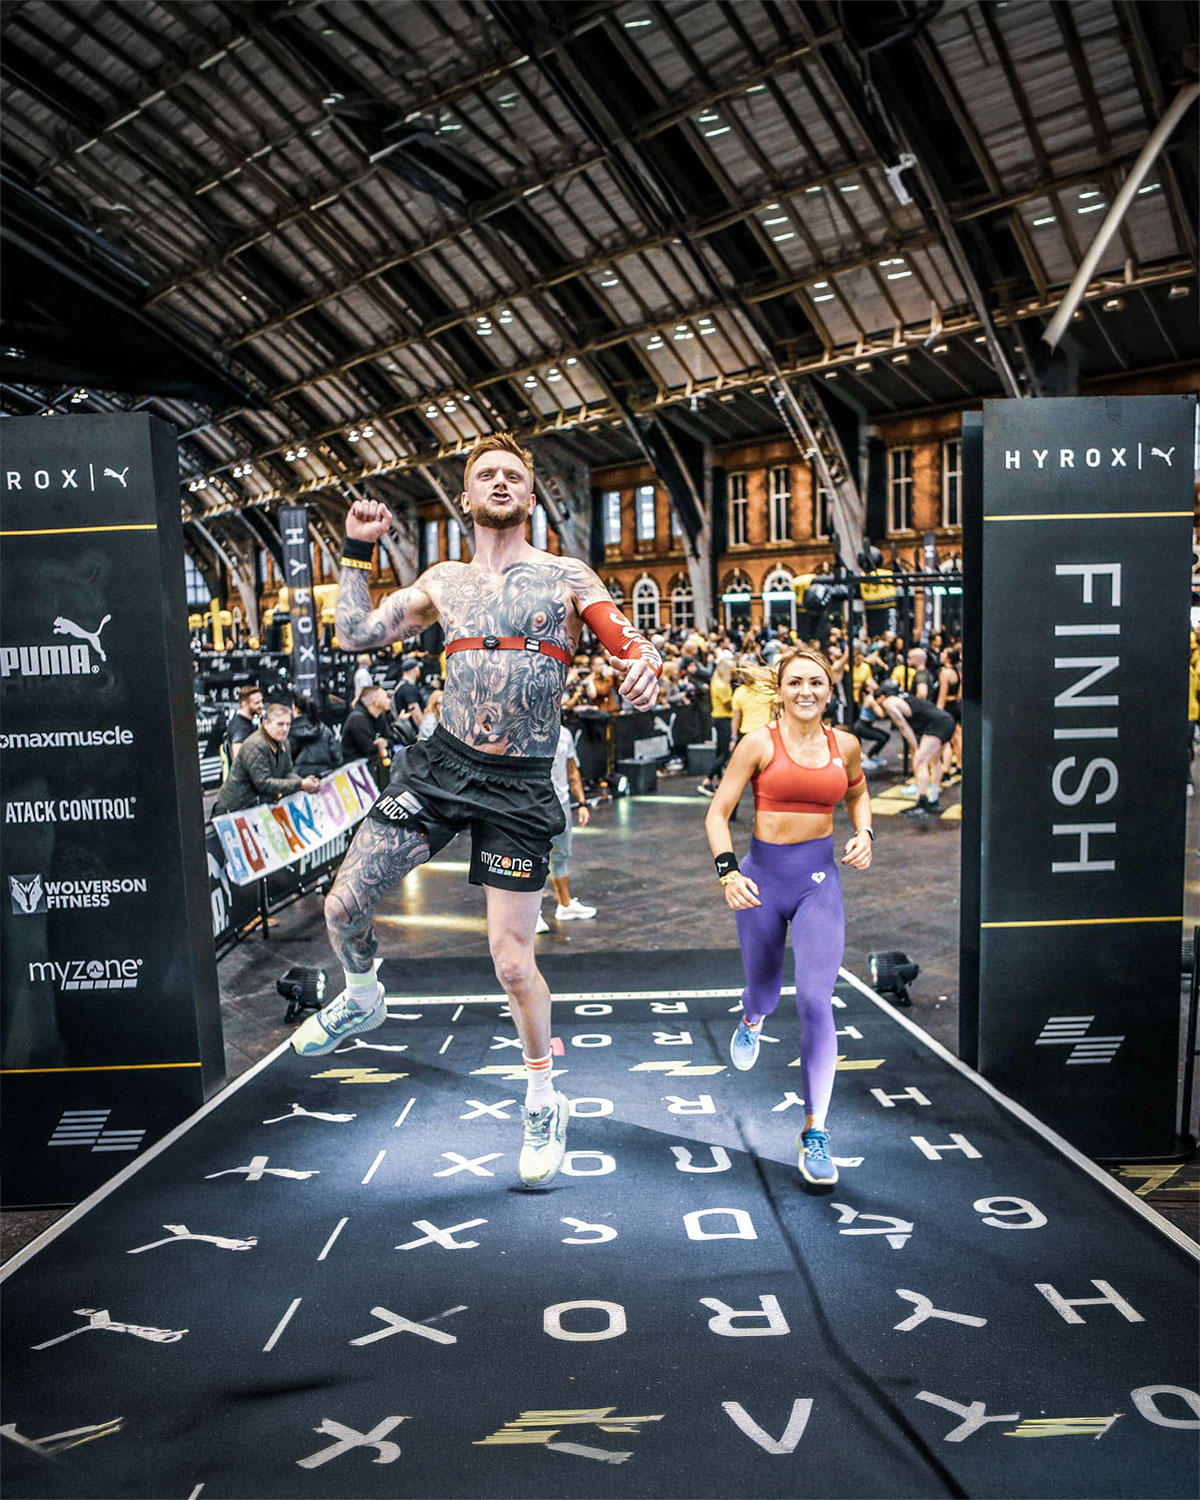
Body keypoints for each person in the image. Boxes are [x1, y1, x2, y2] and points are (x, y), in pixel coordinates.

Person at [290, 433, 661, 1189]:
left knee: (512, 963)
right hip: (441, 767)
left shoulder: (566, 575)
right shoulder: (444, 581)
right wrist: (356, 553)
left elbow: (628, 644)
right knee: (341, 906)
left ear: (530, 497)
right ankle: (363, 996)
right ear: (465, 498)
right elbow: (355, 633)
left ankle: (541, 1097)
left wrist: (642, 670)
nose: (499, 481)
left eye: (512, 475)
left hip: (522, 783)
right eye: (484, 474)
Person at [705, 648, 872, 1189]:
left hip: (818, 883)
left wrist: (865, 831)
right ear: (780, 690)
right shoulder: (757, 744)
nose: (806, 691)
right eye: (796, 682)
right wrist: (729, 874)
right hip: (761, 881)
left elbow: (859, 791)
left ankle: (815, 1131)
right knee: (765, 991)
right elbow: (718, 813)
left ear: (829, 690)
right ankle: (751, 1019)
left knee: (814, 999)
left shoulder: (843, 744)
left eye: (816, 683)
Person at [536, 724, 595, 933]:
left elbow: (572, 770)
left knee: (561, 856)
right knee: (533, 859)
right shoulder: (522, 729)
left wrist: (581, 803)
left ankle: (565, 905)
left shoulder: (565, 734)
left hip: (561, 806)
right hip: (533, 806)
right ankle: (532, 915)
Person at [213, 702, 320, 814]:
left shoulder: (283, 742)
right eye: (280, 724)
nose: (285, 729)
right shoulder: (256, 745)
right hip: (233, 809)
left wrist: (305, 782)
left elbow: (287, 773)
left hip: (253, 807)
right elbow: (263, 783)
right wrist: (301, 784)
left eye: (288, 724)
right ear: (266, 723)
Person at [877, 681, 955, 816]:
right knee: (934, 760)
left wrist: (915, 746)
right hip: (946, 719)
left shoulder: (889, 702)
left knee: (920, 761)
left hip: (936, 724)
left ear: (883, 696)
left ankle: (923, 802)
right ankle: (933, 798)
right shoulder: (904, 697)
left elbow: (902, 725)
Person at [697, 653, 735, 796]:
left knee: (720, 751)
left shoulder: (717, 682)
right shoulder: (721, 685)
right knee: (725, 753)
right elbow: (729, 704)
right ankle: (706, 780)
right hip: (724, 719)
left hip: (720, 718)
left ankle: (718, 781)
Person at [342, 684, 392, 782]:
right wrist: (381, 746)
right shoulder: (357, 719)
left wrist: (385, 742)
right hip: (357, 773)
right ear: (375, 702)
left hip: (376, 769)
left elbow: (391, 738)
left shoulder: (380, 717)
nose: (389, 701)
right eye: (385, 697)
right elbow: (369, 749)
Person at [289, 694, 339, 776]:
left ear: (297, 710)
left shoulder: (290, 733)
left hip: (299, 779)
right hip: (324, 777)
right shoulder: (325, 731)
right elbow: (337, 759)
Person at [221, 684, 262, 773]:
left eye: (261, 701)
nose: (261, 705)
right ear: (244, 704)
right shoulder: (241, 727)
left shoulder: (246, 723)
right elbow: (238, 758)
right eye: (257, 703)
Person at [392, 656, 424, 731]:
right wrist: (422, 730)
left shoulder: (400, 685)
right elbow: (415, 712)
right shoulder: (409, 688)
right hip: (413, 730)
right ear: (415, 669)